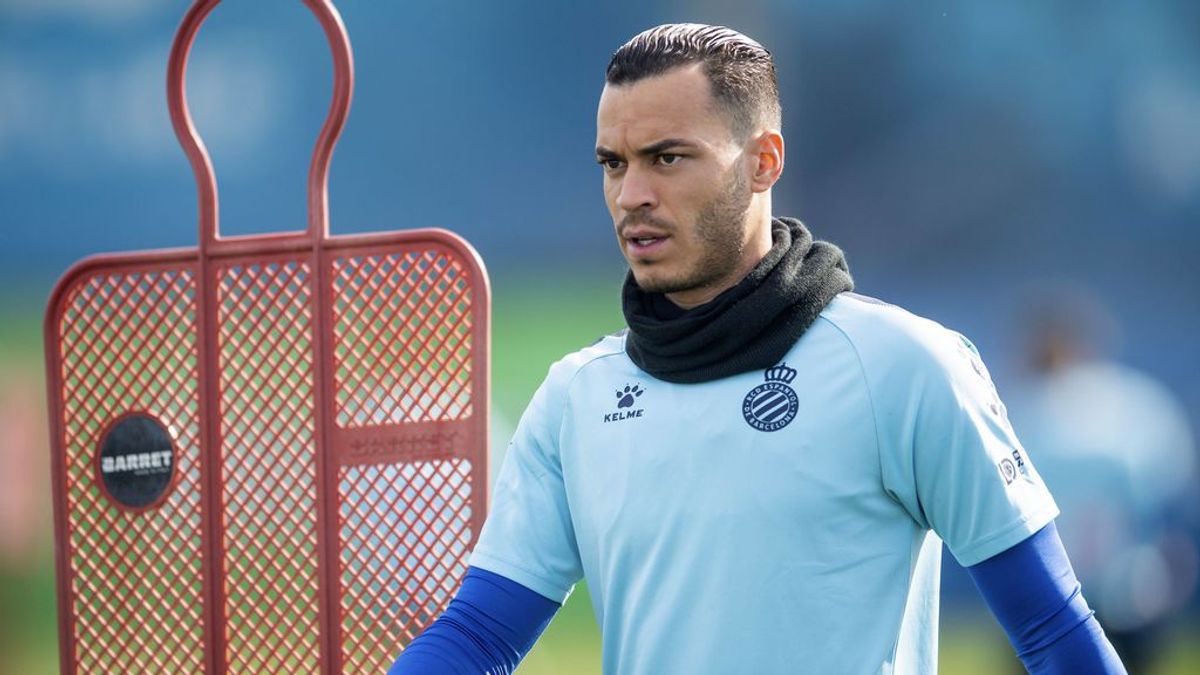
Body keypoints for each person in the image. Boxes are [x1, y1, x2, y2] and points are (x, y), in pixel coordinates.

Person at [390, 24, 1127, 674]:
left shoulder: (904, 364)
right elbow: (481, 634)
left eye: (667, 157)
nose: (631, 194)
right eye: (613, 163)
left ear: (764, 161)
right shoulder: (575, 397)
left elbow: (1053, 627)